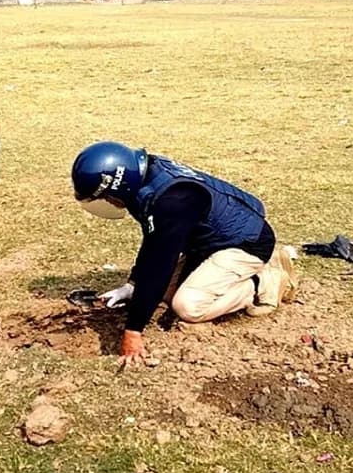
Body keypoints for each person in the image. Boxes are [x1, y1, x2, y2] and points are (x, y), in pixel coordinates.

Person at [71, 142, 299, 369]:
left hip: (246, 242)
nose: (109, 203)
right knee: (163, 292)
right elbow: (154, 241)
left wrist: (133, 331)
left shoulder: (172, 201)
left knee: (188, 306)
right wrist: (132, 284)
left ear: (120, 185)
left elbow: (161, 262)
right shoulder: (142, 179)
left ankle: (263, 281)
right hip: (209, 242)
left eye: (108, 197)